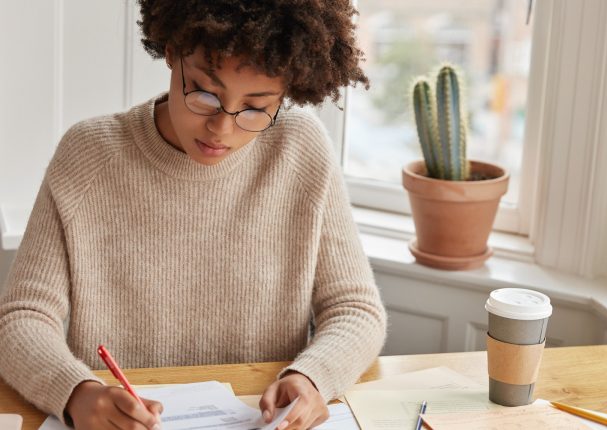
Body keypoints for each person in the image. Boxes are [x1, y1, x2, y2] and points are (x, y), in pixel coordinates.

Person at [0, 1, 387, 429]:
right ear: (171, 50)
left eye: (256, 108)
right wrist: (76, 392)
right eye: (205, 93)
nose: (222, 129)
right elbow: (21, 319)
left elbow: (355, 309)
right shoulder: (89, 154)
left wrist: (312, 376)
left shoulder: (300, 148)